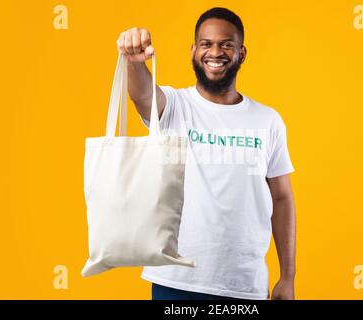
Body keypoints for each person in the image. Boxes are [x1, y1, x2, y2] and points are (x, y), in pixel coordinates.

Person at [116, 7, 296, 300]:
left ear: (241, 53)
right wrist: (135, 63)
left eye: (227, 44)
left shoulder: (268, 120)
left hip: (245, 285)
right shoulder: (174, 105)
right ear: (193, 51)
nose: (216, 52)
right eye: (206, 43)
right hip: (175, 280)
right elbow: (142, 95)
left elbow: (282, 197)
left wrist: (288, 277)